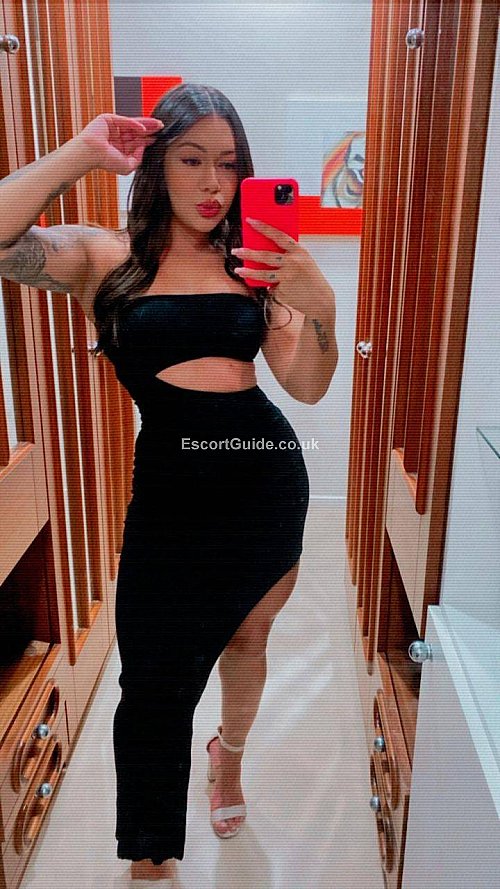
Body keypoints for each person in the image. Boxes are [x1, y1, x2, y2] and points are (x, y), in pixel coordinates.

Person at [0, 82, 337, 887]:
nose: (213, 183)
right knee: (151, 681)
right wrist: (82, 151)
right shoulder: (103, 258)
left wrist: (321, 307)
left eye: (228, 162)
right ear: (156, 165)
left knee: (248, 640)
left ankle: (229, 759)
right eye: (191, 160)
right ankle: (151, 857)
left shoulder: (255, 265)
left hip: (264, 482)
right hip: (170, 498)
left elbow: (308, 385)